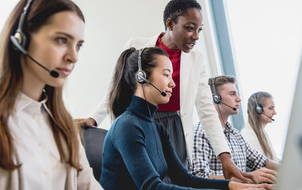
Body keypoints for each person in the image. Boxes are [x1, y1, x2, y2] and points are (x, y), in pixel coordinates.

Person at [78, 0, 255, 182]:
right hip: (141, 122)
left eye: (199, 30)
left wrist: (225, 157)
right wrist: (94, 119)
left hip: (174, 128)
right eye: (190, 28)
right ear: (170, 24)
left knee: (178, 180)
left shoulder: (196, 59)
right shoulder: (137, 46)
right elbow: (117, 87)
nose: (196, 36)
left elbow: (206, 109)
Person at [0, 0, 103, 189]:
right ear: (21, 38)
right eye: (62, 40)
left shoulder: (63, 124)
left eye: (79, 46)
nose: (73, 57)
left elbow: (87, 185)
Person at [99, 47, 273, 190]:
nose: (172, 83)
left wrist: (232, 186)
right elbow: (152, 187)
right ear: (141, 77)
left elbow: (185, 179)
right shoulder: (127, 126)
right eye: (166, 74)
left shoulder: (157, 128)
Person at [191, 76, 278, 184]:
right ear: (215, 98)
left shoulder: (235, 134)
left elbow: (261, 161)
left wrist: (287, 169)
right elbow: (200, 177)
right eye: (232, 94)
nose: (239, 99)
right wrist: (246, 179)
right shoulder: (201, 133)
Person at [241, 92, 281, 162]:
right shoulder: (247, 134)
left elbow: (274, 159)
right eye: (271, 108)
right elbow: (261, 164)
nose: (275, 112)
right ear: (258, 110)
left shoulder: (263, 133)